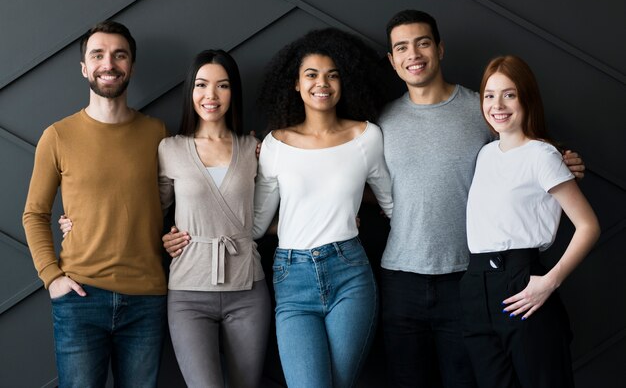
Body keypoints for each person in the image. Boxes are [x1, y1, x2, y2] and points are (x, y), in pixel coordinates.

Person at [378, 10, 586, 388]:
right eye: (402, 48)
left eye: (423, 42)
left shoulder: (481, 110)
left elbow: (521, 150)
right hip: (401, 279)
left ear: (439, 48)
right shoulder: (382, 120)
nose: (414, 54)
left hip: (468, 276)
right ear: (392, 61)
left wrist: (562, 158)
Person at [22, 21, 167, 387]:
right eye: (98, 54)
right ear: (85, 68)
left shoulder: (158, 133)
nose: (109, 63)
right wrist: (51, 277)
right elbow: (35, 214)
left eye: (120, 55)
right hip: (79, 298)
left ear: (131, 66)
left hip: (146, 298)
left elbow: (182, 198)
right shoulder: (57, 136)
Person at [251, 27, 392, 388]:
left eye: (332, 74)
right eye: (311, 74)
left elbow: (392, 204)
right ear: (296, 84)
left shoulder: (366, 137)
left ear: (344, 82)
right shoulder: (276, 144)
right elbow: (255, 225)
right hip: (291, 277)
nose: (322, 83)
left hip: (350, 274)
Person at [460, 55, 599, 388]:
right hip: (476, 288)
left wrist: (549, 282)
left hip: (522, 281)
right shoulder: (486, 154)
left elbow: (588, 225)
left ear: (526, 98)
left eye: (509, 94)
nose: (498, 104)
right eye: (490, 95)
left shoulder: (543, 155)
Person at [158, 49, 270, 387]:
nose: (211, 95)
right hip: (188, 292)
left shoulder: (254, 149)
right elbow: (150, 213)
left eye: (222, 86)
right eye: (202, 84)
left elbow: (266, 213)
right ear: (190, 91)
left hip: (248, 289)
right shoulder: (170, 148)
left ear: (233, 92)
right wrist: (162, 237)